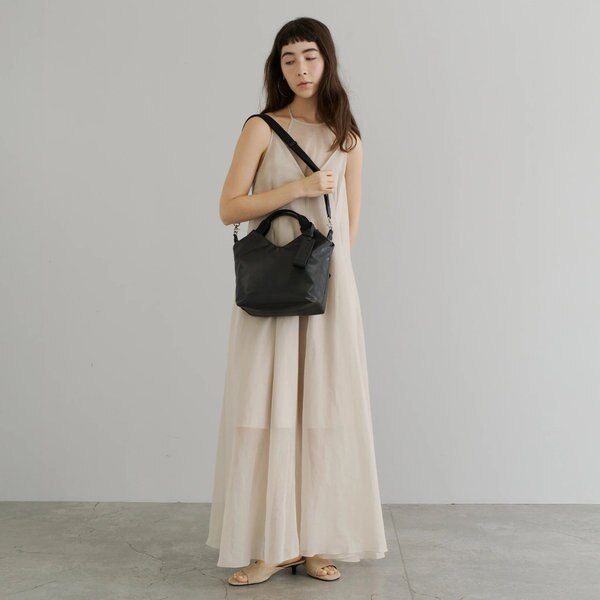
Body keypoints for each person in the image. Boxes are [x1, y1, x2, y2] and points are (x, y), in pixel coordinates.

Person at [206, 17, 388, 586]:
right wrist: (299, 189)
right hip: (273, 289)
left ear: (326, 60)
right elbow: (229, 208)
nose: (301, 68)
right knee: (267, 408)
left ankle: (313, 542)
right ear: (277, 68)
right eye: (289, 59)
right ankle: (270, 546)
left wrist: (334, 281)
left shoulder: (346, 136)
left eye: (310, 56)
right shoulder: (261, 127)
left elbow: (350, 225)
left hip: (327, 288)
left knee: (324, 410)